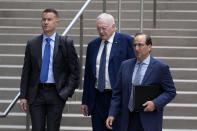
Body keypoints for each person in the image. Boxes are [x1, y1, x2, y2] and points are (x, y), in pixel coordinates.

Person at [19, 8, 80, 131]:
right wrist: (23, 96)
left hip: (56, 93)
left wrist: (65, 92)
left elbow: (75, 71)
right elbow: (26, 71)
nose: (46, 22)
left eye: (49, 20)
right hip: (37, 94)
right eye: (43, 20)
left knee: (53, 128)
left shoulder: (66, 43)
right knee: (37, 128)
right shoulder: (32, 43)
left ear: (56, 22)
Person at [106, 33, 176, 131]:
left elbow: (170, 91)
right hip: (128, 120)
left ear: (149, 47)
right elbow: (117, 93)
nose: (136, 48)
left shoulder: (160, 68)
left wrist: (155, 103)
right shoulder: (125, 65)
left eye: (140, 45)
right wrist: (112, 113)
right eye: (134, 45)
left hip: (148, 120)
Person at [81, 13, 135, 131]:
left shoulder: (127, 42)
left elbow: (134, 71)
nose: (101, 31)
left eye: (104, 28)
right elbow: (89, 75)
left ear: (114, 26)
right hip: (98, 98)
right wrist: (85, 100)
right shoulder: (93, 45)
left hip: (117, 98)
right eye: (98, 28)